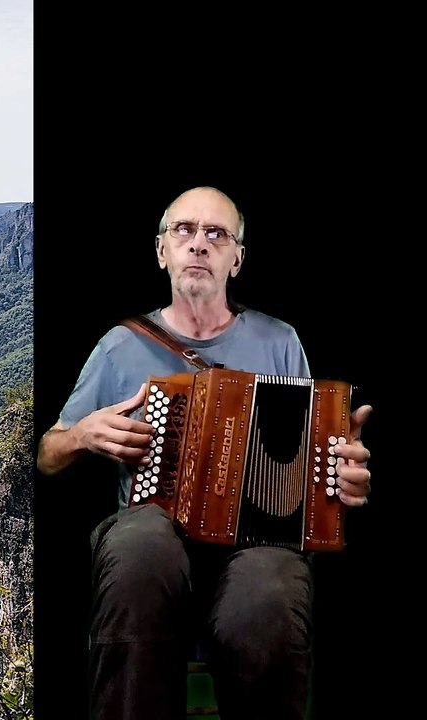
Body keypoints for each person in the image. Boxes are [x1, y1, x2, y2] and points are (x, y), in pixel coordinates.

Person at [35, 186, 373, 720]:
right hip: (152, 539)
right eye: (184, 231)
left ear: (236, 259)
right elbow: (47, 455)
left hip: (256, 545)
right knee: (142, 542)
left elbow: (314, 467)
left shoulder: (280, 341)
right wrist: (80, 436)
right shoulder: (120, 346)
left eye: (216, 234)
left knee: (268, 591)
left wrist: (341, 479)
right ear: (161, 250)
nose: (199, 244)